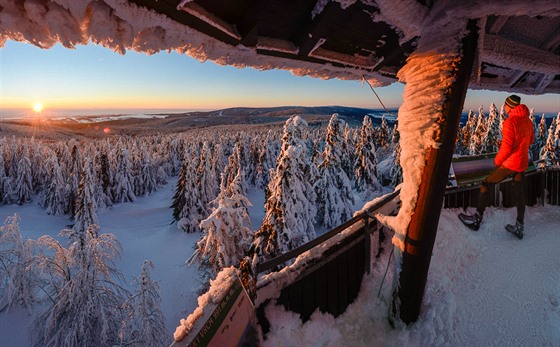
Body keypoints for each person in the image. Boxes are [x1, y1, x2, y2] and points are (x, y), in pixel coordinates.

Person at [459, 95, 534, 239]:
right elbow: (529, 140)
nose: (504, 108)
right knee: (520, 195)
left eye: (506, 105)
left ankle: (476, 219)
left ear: (511, 106)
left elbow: (506, 149)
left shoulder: (510, 122)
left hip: (511, 164)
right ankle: (519, 226)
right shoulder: (527, 121)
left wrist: (497, 161)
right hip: (522, 163)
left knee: (486, 183)